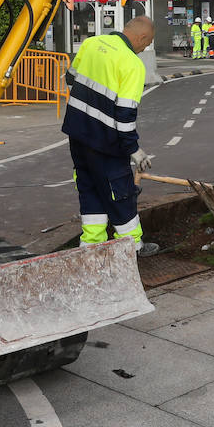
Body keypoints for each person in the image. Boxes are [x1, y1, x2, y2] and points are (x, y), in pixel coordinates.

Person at [62, 16, 159, 257]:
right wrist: (134, 150)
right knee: (121, 194)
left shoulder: (91, 43)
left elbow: (70, 78)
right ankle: (132, 248)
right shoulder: (133, 65)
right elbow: (125, 116)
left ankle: (92, 246)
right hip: (106, 142)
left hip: (77, 134)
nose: (144, 49)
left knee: (89, 188)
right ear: (141, 37)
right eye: (146, 45)